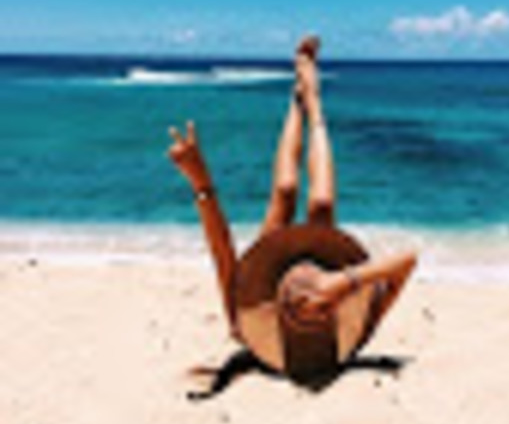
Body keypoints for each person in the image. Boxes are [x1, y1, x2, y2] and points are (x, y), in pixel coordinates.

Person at [168, 36, 417, 376]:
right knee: (321, 203)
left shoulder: (244, 322)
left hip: (271, 274)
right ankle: (314, 106)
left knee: (285, 192)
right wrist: (341, 283)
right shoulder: (355, 332)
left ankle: (296, 102)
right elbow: (407, 261)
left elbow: (222, 252)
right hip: (332, 269)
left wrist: (199, 180)